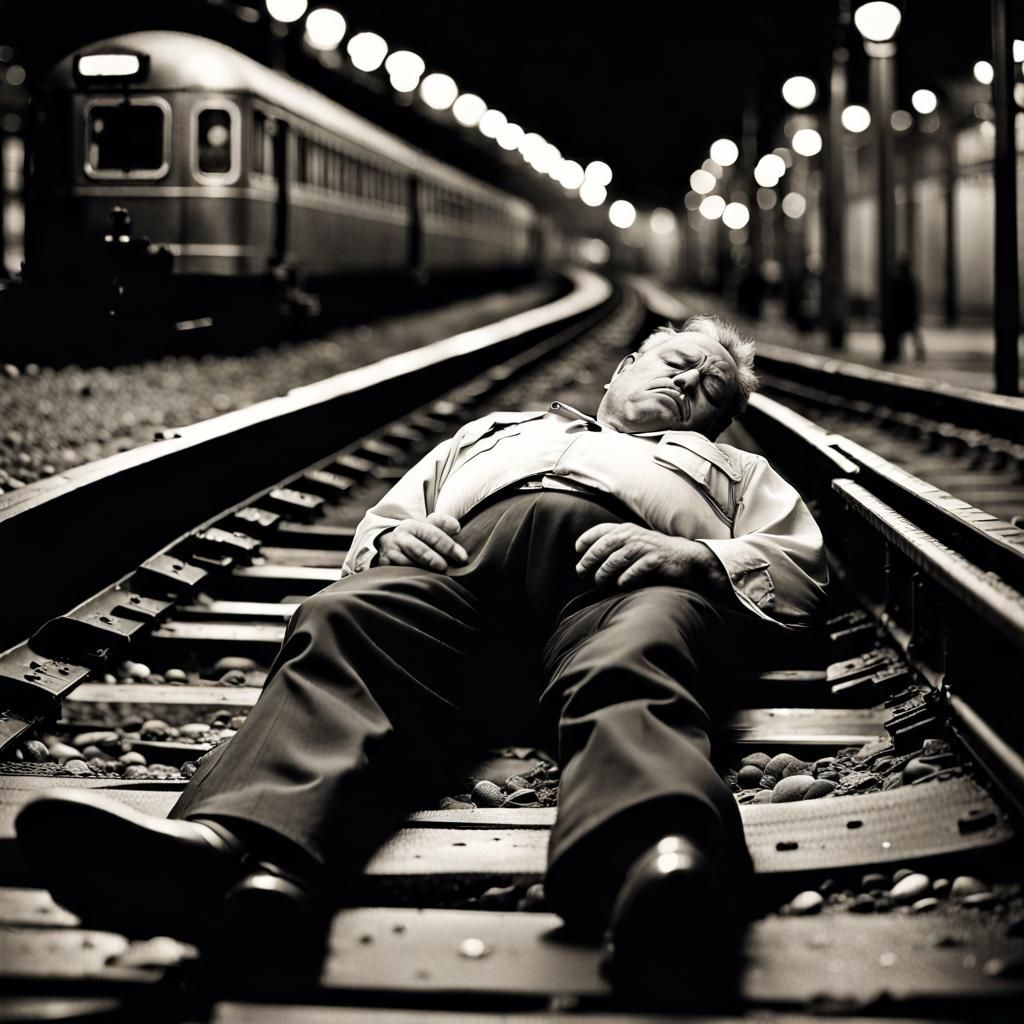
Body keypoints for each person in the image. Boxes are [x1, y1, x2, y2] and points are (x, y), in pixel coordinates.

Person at [17, 314, 827, 996]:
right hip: (460, 591)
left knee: (641, 655)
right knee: (346, 619)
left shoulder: (737, 470)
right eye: (678, 364)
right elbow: (388, 520)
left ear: (718, 421)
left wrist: (691, 558)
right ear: (621, 370)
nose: (687, 386)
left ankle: (654, 862)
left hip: (616, 585)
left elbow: (800, 565)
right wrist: (392, 537)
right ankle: (240, 859)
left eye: (709, 390)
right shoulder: (496, 432)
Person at [892, 257, 925, 362]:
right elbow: (915, 298)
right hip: (909, 313)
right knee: (914, 334)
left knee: (901, 335)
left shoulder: (899, 280)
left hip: (902, 313)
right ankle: (919, 353)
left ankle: (899, 353)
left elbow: (895, 299)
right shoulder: (911, 280)